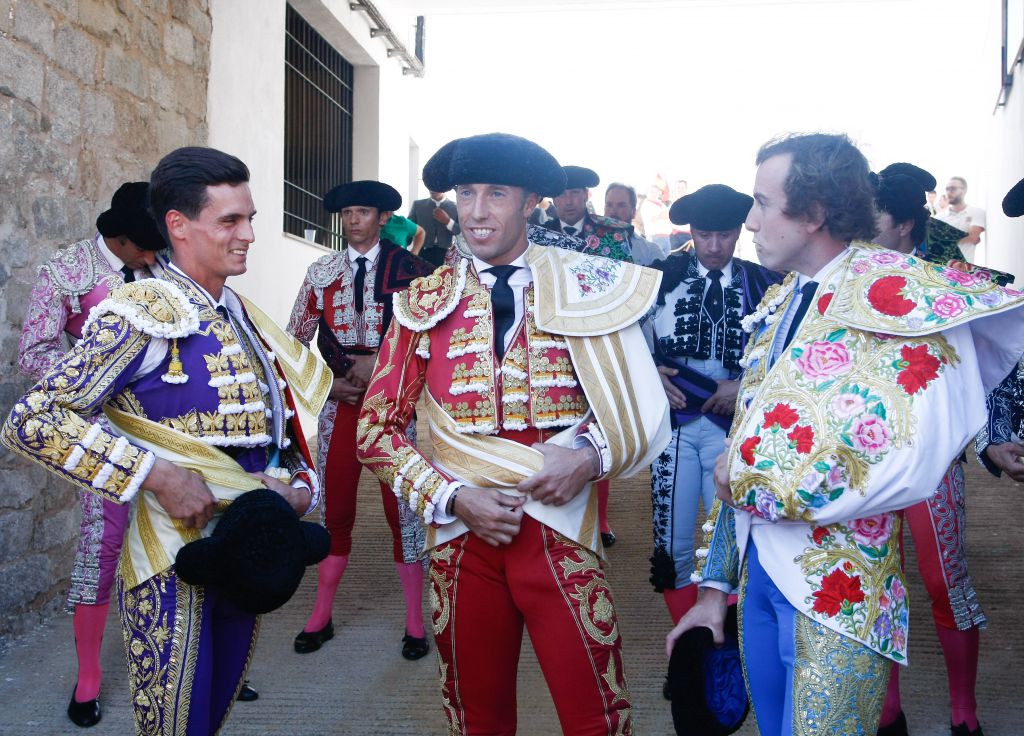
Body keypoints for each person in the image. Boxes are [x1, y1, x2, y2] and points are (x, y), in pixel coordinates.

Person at [667, 133, 1024, 736]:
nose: (749, 219)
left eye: (761, 202)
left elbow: (910, 454)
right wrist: (714, 586)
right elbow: (742, 448)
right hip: (759, 572)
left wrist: (750, 483)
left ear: (812, 214)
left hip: (841, 587)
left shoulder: (896, 294)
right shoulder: (780, 300)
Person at [3, 146, 330, 736]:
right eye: (230, 221)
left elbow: (279, 426)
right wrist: (157, 475)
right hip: (167, 557)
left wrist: (299, 487)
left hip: (250, 542)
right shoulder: (137, 313)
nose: (249, 234)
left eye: (249, 218)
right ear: (177, 226)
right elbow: (35, 418)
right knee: (176, 722)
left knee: (216, 707)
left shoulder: (243, 315)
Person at [356, 132, 670, 734]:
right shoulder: (422, 301)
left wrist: (586, 457)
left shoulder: (589, 285)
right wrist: (453, 497)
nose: (476, 211)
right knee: (478, 719)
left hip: (561, 530)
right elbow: (375, 430)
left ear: (531, 202)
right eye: (465, 194)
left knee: (597, 719)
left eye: (495, 194)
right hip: (464, 536)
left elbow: (641, 406)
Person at [17, 181, 165, 728]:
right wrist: (89, 384)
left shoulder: (162, 268)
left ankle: (194, 659)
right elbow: (34, 350)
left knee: (185, 535)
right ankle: (88, 678)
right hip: (101, 430)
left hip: (171, 423)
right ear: (121, 242)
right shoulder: (66, 271)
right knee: (102, 544)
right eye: (148, 247)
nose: (157, 256)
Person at [287, 180, 435, 659]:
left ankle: (415, 622)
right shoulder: (321, 272)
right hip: (341, 401)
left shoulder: (411, 271)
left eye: (364, 212)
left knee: (403, 511)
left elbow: (432, 338)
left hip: (392, 404)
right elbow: (294, 342)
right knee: (337, 509)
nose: (354, 220)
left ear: (382, 218)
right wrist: (328, 385)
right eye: (347, 212)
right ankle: (321, 615)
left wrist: (391, 372)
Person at [872, 169, 989, 736]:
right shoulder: (846, 274)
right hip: (866, 455)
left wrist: (992, 436)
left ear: (904, 225)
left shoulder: (948, 279)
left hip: (933, 453)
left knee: (945, 580)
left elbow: (992, 355)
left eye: (874, 221)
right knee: (878, 575)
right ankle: (889, 709)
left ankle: (963, 709)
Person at [648, 184, 782, 628]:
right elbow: (624, 339)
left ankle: (727, 654)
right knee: (673, 545)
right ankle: (687, 650)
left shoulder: (764, 284)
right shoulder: (659, 278)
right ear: (691, 231)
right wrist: (652, 375)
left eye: (724, 235)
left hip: (736, 429)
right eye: (704, 235)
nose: (713, 246)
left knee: (736, 540)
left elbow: (787, 355)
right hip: (676, 426)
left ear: (738, 232)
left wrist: (744, 383)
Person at [543, 165, 634, 262]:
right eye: (562, 194)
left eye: (575, 193)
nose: (568, 201)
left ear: (586, 195)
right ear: (554, 200)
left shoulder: (614, 233)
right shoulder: (541, 234)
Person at [604, 181, 669, 266]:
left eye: (621, 205)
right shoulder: (586, 243)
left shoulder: (651, 251)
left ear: (633, 212)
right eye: (609, 205)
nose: (613, 211)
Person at [936, 177, 986, 262]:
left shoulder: (977, 212)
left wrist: (942, 239)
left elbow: (973, 237)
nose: (948, 192)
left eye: (953, 189)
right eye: (947, 189)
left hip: (965, 270)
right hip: (941, 270)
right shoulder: (938, 217)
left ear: (964, 190)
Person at [408, 190, 460, 267]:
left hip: (446, 254)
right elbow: (408, 230)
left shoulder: (456, 207)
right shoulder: (418, 205)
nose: (433, 189)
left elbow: (460, 232)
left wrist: (448, 221)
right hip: (422, 253)